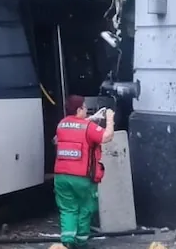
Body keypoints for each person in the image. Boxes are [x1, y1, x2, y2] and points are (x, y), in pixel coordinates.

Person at [53, 94, 114, 249]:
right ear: (79, 109)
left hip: (61, 177)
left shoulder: (61, 125)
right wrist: (110, 118)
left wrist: (90, 119)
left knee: (68, 209)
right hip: (82, 179)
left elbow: (66, 133)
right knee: (85, 209)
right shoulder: (89, 128)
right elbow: (107, 136)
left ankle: (67, 242)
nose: (86, 110)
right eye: (85, 107)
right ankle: (81, 243)